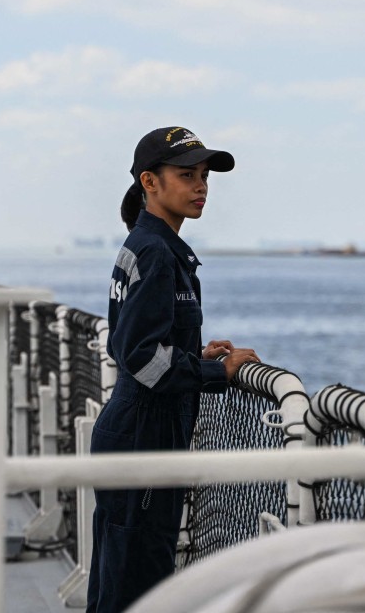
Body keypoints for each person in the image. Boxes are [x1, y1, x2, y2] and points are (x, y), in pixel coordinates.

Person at [86, 126, 260, 613]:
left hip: (137, 431)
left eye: (204, 176)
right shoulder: (158, 253)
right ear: (150, 182)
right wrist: (218, 374)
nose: (201, 186)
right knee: (135, 588)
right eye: (187, 175)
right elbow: (139, 356)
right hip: (145, 435)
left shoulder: (146, 245)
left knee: (120, 579)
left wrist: (196, 355)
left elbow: (142, 344)